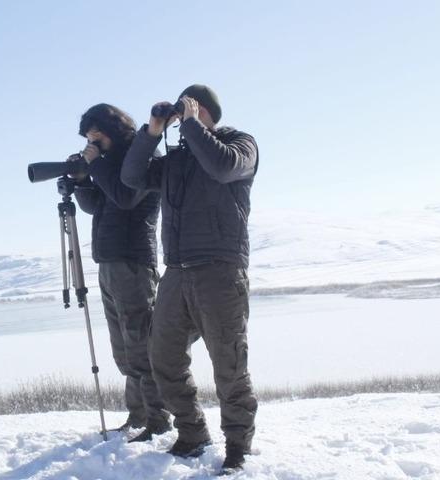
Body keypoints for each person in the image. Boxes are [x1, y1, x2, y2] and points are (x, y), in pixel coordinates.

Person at [121, 85, 259, 473]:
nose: (181, 119)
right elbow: (132, 177)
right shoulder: (176, 161)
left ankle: (237, 446)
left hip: (220, 271)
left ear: (205, 110)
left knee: (229, 365)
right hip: (176, 274)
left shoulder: (240, 144)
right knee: (162, 357)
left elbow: (222, 167)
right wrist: (150, 132)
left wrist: (193, 124)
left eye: (188, 109)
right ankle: (193, 433)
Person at [68, 103, 170, 442]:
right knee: (124, 350)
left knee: (140, 343)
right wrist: (83, 181)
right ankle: (137, 415)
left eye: (95, 135)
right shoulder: (110, 163)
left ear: (110, 130)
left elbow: (125, 196)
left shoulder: (139, 159)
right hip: (109, 262)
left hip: (132, 261)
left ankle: (158, 419)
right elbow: (98, 204)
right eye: (87, 138)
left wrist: (95, 164)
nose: (91, 142)